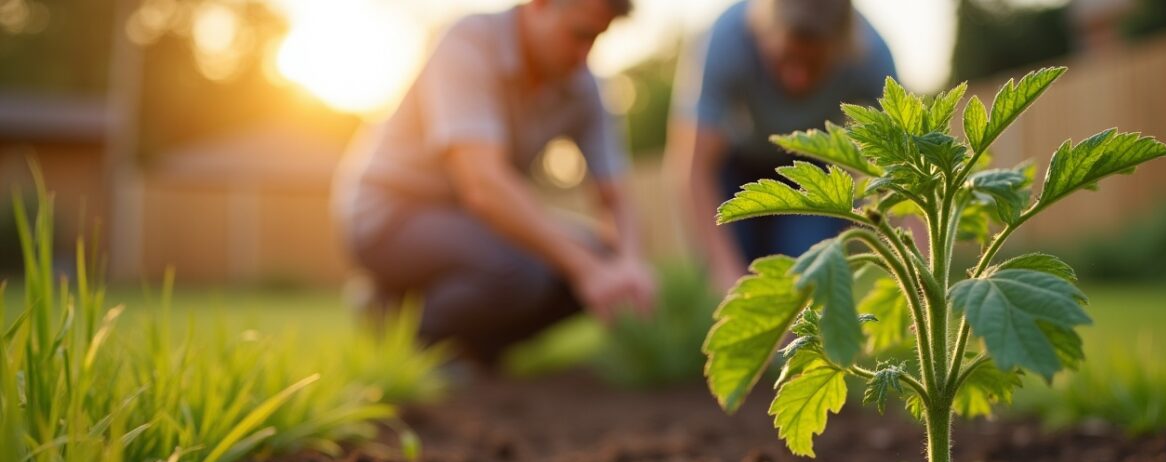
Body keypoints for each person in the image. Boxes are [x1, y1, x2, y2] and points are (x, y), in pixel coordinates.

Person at [333, 0, 654, 364]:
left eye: (596, 38)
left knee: (602, 260)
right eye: (578, 34)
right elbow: (483, 186)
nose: (584, 55)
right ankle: (398, 326)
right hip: (392, 213)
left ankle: (478, 350)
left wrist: (628, 262)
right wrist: (586, 269)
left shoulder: (581, 85)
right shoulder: (469, 42)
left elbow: (615, 192)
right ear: (539, 6)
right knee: (523, 272)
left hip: (475, 225)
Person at [666, 0, 897, 291]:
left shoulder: (872, 53)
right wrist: (726, 275)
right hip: (736, 166)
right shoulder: (727, 39)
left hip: (813, 165)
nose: (796, 80)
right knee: (743, 272)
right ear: (762, 35)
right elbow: (695, 170)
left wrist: (920, 271)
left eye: (814, 64)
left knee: (805, 275)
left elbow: (900, 170)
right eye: (785, 59)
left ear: (841, 50)